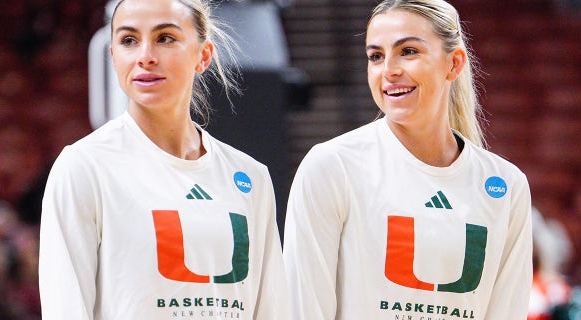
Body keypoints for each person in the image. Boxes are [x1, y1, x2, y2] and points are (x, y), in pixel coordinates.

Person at [282, 0, 533, 319]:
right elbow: (302, 309)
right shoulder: (332, 167)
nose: (389, 70)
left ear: (454, 64)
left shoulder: (506, 186)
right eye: (376, 56)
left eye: (408, 51)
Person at [38, 0, 288, 319]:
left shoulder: (250, 177)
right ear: (113, 57)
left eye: (165, 38)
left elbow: (272, 310)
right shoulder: (85, 167)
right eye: (129, 41)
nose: (145, 56)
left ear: (203, 55)